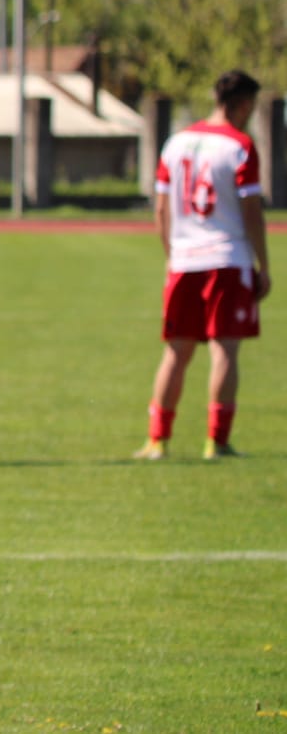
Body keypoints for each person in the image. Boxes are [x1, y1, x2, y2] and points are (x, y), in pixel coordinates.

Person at [134, 69, 272, 461]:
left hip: (183, 260)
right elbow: (251, 212)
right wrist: (264, 265)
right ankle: (217, 441)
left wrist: (172, 254)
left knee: (175, 353)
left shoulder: (176, 142)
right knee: (224, 351)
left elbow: (161, 208)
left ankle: (157, 440)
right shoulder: (240, 146)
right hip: (227, 259)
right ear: (243, 105)